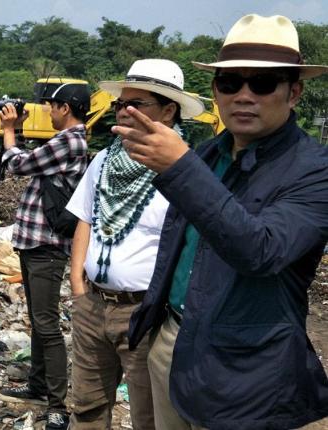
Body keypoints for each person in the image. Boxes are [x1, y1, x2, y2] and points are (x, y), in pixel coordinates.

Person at [122, 15, 328, 429]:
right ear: (216, 91)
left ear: (294, 92)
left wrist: (179, 166)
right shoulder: (208, 155)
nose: (244, 96)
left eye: (263, 84)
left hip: (247, 368)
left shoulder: (314, 170)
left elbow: (261, 250)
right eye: (230, 83)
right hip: (174, 343)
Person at [65, 59, 204, 429]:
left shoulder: (186, 170)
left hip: (146, 311)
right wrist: (79, 287)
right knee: (87, 406)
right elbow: (86, 219)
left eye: (136, 104)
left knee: (149, 414)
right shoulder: (103, 161)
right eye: (119, 105)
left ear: (169, 110)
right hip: (93, 304)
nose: (123, 112)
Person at [0, 83, 90, 429]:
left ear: (65, 108)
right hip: (37, 243)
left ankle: (57, 406)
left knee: (47, 325)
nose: (48, 112)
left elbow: (19, 164)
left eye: (51, 106)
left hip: (48, 246)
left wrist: (9, 131)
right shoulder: (67, 141)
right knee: (39, 321)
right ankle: (37, 385)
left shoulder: (70, 140)